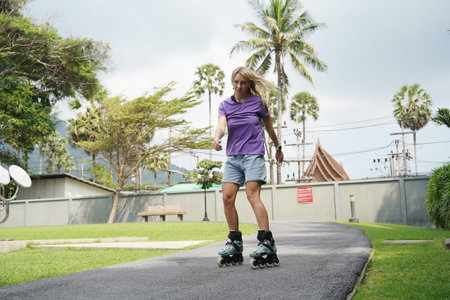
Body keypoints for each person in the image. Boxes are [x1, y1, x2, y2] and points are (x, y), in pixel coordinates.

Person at [214, 66, 283, 268]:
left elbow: (269, 127)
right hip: (233, 157)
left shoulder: (258, 103)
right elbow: (221, 125)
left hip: (253, 154)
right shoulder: (225, 105)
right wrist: (217, 137)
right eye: (236, 82)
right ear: (232, 81)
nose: (239, 86)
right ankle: (235, 242)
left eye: (243, 82)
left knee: (252, 195)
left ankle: (266, 242)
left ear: (249, 84)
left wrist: (278, 147)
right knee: (227, 197)